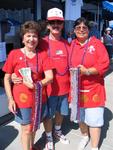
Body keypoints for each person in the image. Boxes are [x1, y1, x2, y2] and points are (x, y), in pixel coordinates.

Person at [2, 20, 53, 150]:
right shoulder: (14, 54)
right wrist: (10, 99)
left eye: (34, 36)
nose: (31, 39)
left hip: (39, 99)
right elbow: (7, 78)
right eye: (28, 36)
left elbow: (50, 77)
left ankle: (31, 146)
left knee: (34, 126)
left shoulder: (43, 55)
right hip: (21, 100)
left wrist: (36, 85)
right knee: (26, 128)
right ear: (23, 38)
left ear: (38, 38)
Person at [69, 17, 109, 150]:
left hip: (94, 89)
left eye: (84, 28)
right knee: (80, 118)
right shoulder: (72, 44)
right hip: (76, 90)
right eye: (78, 28)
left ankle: (94, 147)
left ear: (89, 30)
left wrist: (88, 71)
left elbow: (104, 64)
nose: (81, 30)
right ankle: (85, 136)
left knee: (95, 121)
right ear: (74, 30)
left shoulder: (97, 44)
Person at [39, 7, 70, 150]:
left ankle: (57, 131)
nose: (56, 25)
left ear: (63, 24)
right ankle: (49, 136)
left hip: (64, 88)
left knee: (61, 113)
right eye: (53, 22)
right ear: (48, 25)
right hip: (48, 89)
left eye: (59, 22)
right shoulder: (41, 43)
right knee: (48, 115)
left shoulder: (67, 43)